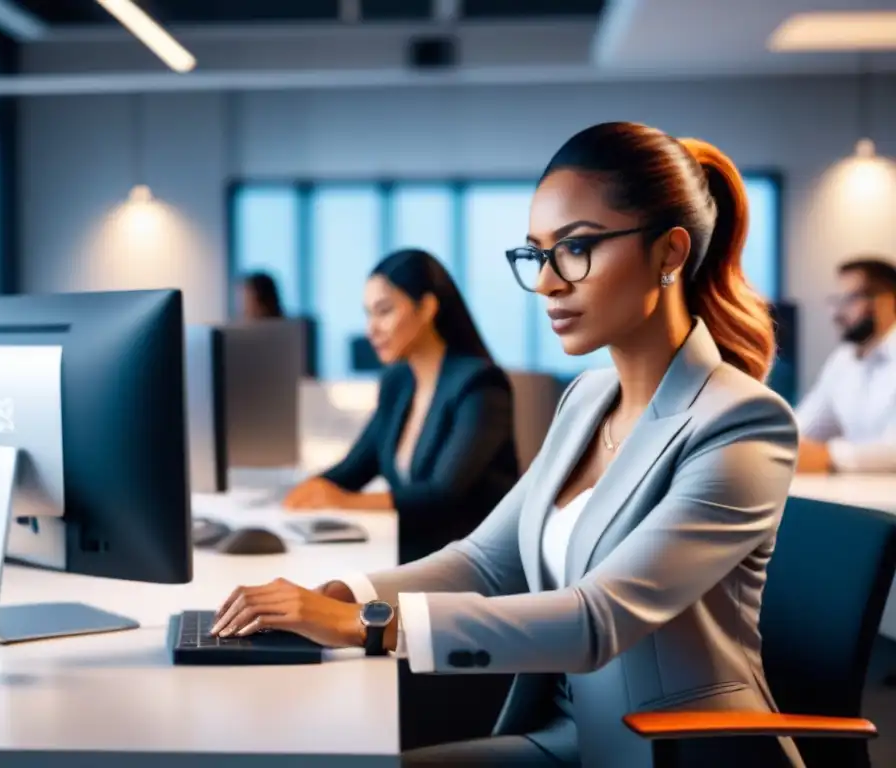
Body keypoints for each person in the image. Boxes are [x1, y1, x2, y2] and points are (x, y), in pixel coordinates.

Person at [212, 123, 804, 767]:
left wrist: (367, 626)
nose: (548, 282)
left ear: (668, 254)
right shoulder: (584, 400)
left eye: (575, 249)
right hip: (567, 733)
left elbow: (598, 619)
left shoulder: (741, 422)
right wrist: (340, 592)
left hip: (673, 751)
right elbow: (487, 563)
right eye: (536, 254)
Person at [283, 248, 520, 563]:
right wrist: (304, 492)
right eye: (368, 314)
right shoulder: (397, 382)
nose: (371, 329)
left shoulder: (480, 385)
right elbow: (355, 467)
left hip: (473, 566)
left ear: (427, 308)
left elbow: (442, 495)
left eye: (383, 311)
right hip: (414, 553)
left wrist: (344, 501)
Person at [794, 257, 896, 473]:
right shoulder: (844, 360)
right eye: (835, 301)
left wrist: (828, 457)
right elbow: (805, 425)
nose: (837, 313)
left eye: (850, 299)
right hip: (858, 496)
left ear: (888, 301)